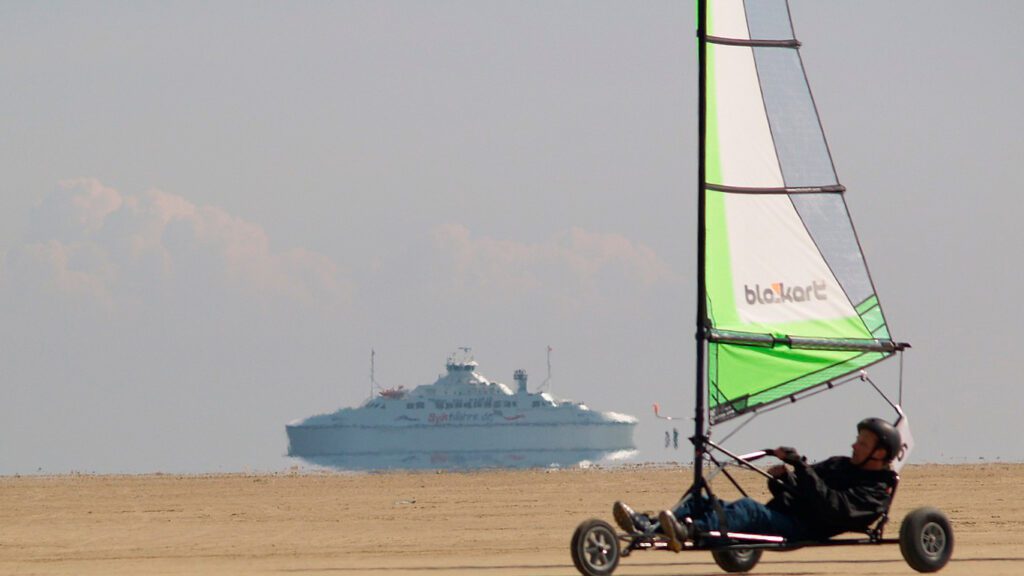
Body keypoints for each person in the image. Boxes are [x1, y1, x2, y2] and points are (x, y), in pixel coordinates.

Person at [613, 418, 901, 550]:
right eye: (857, 440)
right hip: (785, 514)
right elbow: (805, 489)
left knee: (748, 510)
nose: (855, 445)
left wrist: (799, 466)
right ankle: (648, 526)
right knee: (704, 500)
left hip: (804, 528)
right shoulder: (840, 464)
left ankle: (690, 530)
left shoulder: (876, 491)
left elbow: (833, 508)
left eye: (863, 444)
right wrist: (784, 480)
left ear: (880, 453)